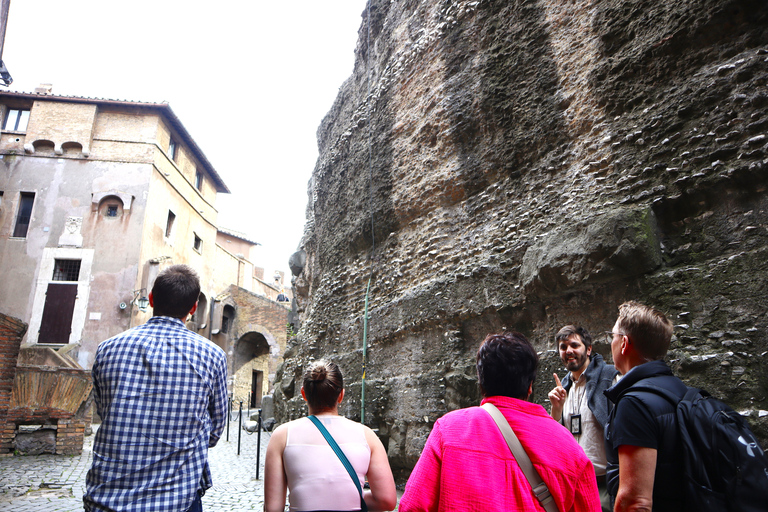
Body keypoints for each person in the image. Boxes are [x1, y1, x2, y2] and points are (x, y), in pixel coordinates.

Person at [399, 332, 601, 511]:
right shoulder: (570, 450)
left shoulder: (449, 430)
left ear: (481, 382)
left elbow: (412, 506)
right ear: (530, 386)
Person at [84, 264, 228, 512]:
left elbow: (104, 410)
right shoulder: (212, 355)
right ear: (193, 308)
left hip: (107, 498)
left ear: (151, 299)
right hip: (177, 500)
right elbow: (214, 433)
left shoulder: (108, 348)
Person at [263, 360, 397, 512]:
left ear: (304, 394)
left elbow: (273, 508)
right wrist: (355, 498)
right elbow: (387, 500)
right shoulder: (367, 436)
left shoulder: (281, 436)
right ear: (341, 395)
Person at [603, 301, 687, 512]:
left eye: (612, 336)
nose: (610, 342)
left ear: (624, 343)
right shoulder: (680, 390)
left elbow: (635, 502)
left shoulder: (634, 403)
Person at [548, 325, 619, 512]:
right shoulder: (563, 388)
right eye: (563, 347)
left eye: (574, 345)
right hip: (574, 485)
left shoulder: (610, 378)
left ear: (588, 349)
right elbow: (555, 440)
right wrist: (556, 411)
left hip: (604, 484)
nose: (568, 351)